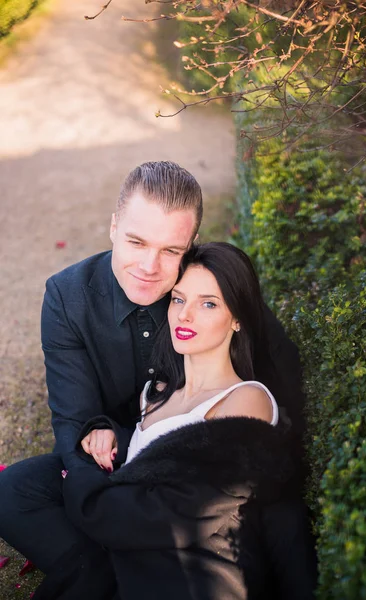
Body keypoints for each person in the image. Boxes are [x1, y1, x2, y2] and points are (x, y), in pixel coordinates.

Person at [0, 161, 310, 590]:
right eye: (136, 241)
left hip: (198, 469)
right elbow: (74, 419)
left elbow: (281, 387)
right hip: (118, 459)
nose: (149, 265)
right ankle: (105, 571)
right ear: (113, 227)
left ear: (191, 246)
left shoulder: (209, 288)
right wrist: (96, 481)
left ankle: (104, 573)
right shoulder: (67, 298)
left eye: (170, 250)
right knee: (13, 490)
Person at [35, 242, 317, 600]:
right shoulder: (155, 391)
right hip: (133, 548)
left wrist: (82, 483)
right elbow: (153, 460)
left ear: (238, 318)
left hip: (198, 574)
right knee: (19, 493)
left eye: (208, 303)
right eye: (179, 299)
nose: (185, 315)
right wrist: (113, 435)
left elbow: (184, 512)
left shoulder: (247, 399)